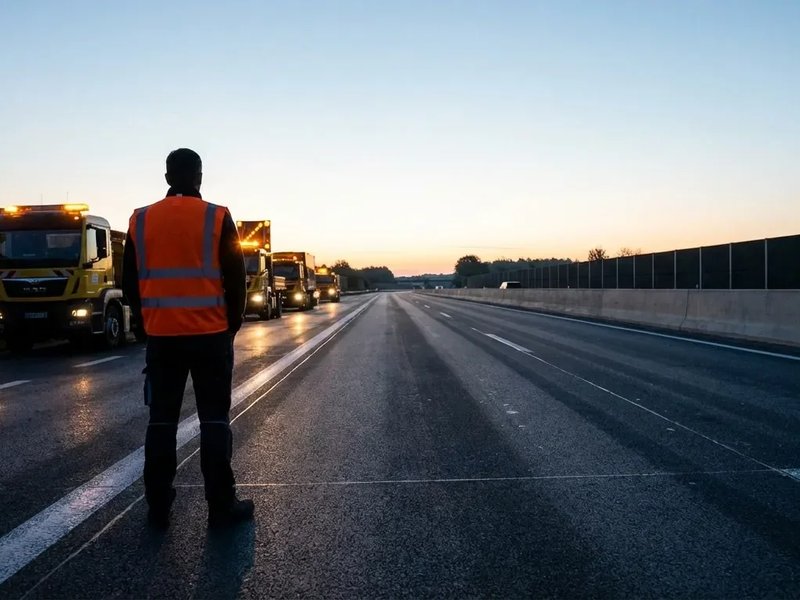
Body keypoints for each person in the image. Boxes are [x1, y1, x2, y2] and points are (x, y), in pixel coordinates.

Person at [122, 148, 253, 528]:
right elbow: (235, 275)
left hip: (162, 337)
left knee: (161, 421)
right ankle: (220, 506)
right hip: (211, 335)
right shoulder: (216, 215)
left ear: (166, 178)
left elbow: (129, 281)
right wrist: (232, 323)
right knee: (214, 420)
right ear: (199, 177)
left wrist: (148, 323)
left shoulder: (140, 220)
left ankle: (158, 505)